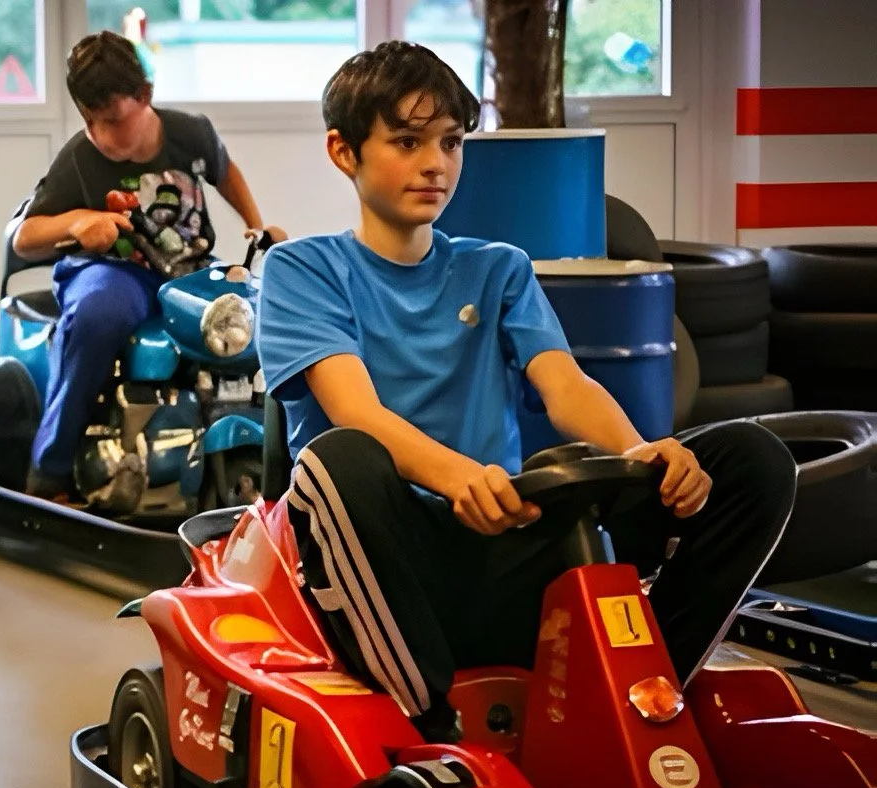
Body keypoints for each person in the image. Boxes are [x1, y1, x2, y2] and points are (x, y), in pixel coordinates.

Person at [254, 41, 797, 742]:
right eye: (407, 141)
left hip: (500, 534)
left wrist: (642, 453)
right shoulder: (306, 269)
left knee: (750, 460)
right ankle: (430, 725)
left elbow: (565, 385)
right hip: (385, 559)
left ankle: (645, 696)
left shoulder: (498, 269)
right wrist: (459, 480)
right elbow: (357, 413)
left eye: (451, 142)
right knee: (341, 458)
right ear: (343, 151)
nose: (435, 164)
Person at [12, 30, 287, 501]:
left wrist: (256, 224)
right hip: (113, 271)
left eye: (112, 120)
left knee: (258, 314)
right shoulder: (80, 157)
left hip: (190, 269)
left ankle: (274, 448)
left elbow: (225, 170)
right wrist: (81, 221)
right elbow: (25, 237)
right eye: (89, 120)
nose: (100, 134)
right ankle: (50, 469)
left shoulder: (190, 133)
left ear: (145, 96)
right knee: (100, 315)